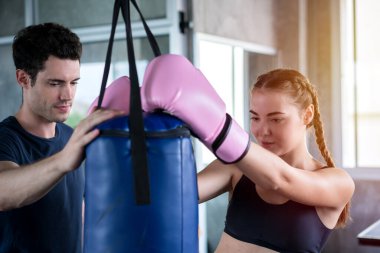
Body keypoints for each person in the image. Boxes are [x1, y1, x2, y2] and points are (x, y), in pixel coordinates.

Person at [141, 55, 355, 253]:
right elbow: (174, 195)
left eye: (276, 119)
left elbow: (281, 179)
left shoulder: (338, 182)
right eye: (255, 118)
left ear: (307, 115)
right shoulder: (235, 167)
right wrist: (130, 131)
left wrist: (216, 126)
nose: (263, 131)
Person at [0, 23, 125, 253]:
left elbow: (80, 214)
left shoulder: (71, 138)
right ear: (23, 79)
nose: (68, 95)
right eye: (55, 83)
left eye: (73, 82)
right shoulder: (6, 139)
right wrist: (63, 161)